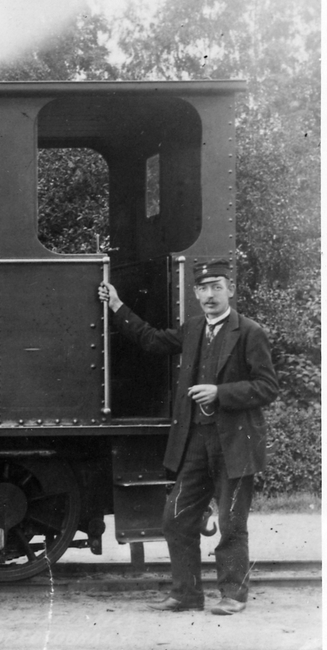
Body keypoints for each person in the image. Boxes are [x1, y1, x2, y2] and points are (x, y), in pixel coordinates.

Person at [98, 260, 277, 615]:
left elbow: (267, 387)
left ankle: (233, 596)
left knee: (230, 523)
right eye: (203, 288)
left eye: (216, 287)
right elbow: (151, 340)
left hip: (235, 444)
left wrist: (220, 393)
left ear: (230, 290)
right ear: (195, 292)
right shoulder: (193, 327)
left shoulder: (250, 332)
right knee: (176, 518)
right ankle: (187, 595)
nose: (209, 295)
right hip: (195, 441)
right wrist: (116, 305)